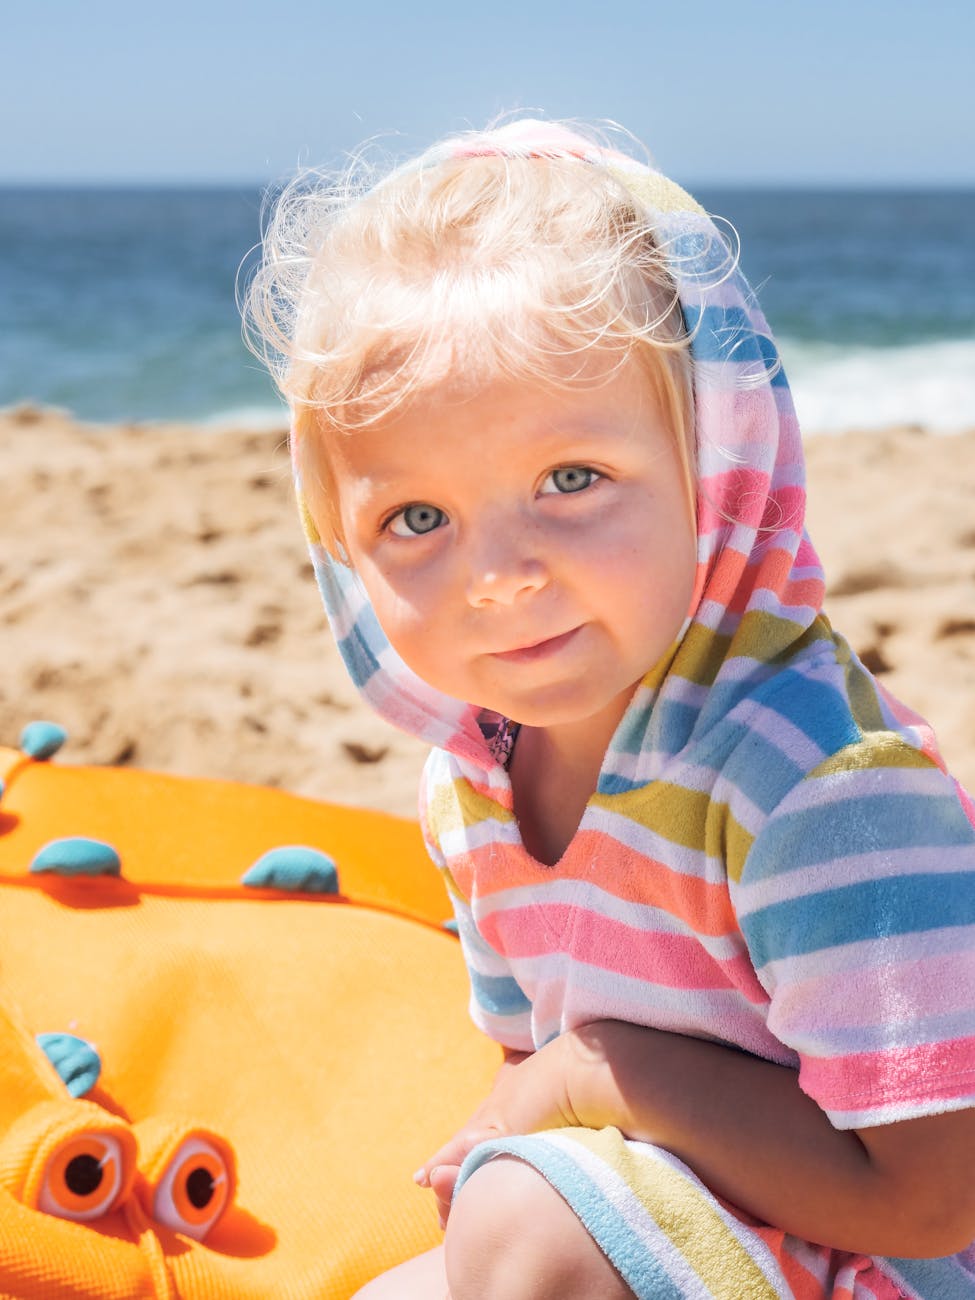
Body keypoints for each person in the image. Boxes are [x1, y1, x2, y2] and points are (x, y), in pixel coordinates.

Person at [244, 119, 975, 1298]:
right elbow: (535, 1088)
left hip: (884, 1263)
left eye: (570, 481)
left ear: (714, 463)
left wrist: (604, 1071)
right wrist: (562, 1100)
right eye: (416, 520)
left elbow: (935, 1197)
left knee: (526, 1230)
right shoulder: (472, 782)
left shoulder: (821, 790)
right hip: (696, 1227)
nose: (500, 574)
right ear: (340, 547)